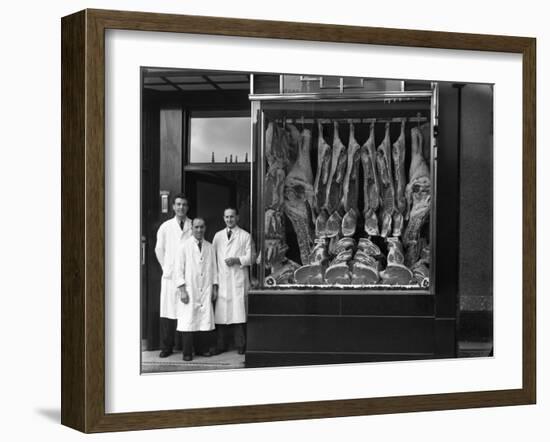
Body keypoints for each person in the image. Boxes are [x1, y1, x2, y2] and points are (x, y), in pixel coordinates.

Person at [174, 217, 218, 361]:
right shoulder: (183, 246)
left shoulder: (210, 247)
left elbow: (214, 269)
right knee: (189, 321)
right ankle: (187, 352)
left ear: (205, 228)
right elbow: (178, 270)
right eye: (196, 227)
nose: (199, 230)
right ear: (191, 228)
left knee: (203, 320)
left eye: (202, 227)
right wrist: (182, 290)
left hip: (205, 288)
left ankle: (202, 349)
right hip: (189, 288)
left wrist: (215, 287)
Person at [154, 193, 192, 358]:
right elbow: (159, 249)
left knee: (186, 312)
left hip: (187, 275)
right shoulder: (165, 226)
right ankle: (166, 347)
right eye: (178, 204)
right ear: (173, 207)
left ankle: (186, 349)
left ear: (187, 207)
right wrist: (166, 268)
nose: (181, 207)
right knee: (168, 312)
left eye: (184, 204)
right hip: (170, 276)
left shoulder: (193, 225)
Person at [212, 207, 252, 355]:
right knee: (222, 315)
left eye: (232, 217)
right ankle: (221, 345)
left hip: (238, 279)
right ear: (224, 218)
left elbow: (251, 257)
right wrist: (214, 282)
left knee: (238, 314)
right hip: (223, 279)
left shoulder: (245, 236)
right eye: (227, 217)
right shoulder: (217, 236)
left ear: (237, 218)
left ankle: (241, 345)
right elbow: (212, 260)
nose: (229, 220)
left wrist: (237, 259)